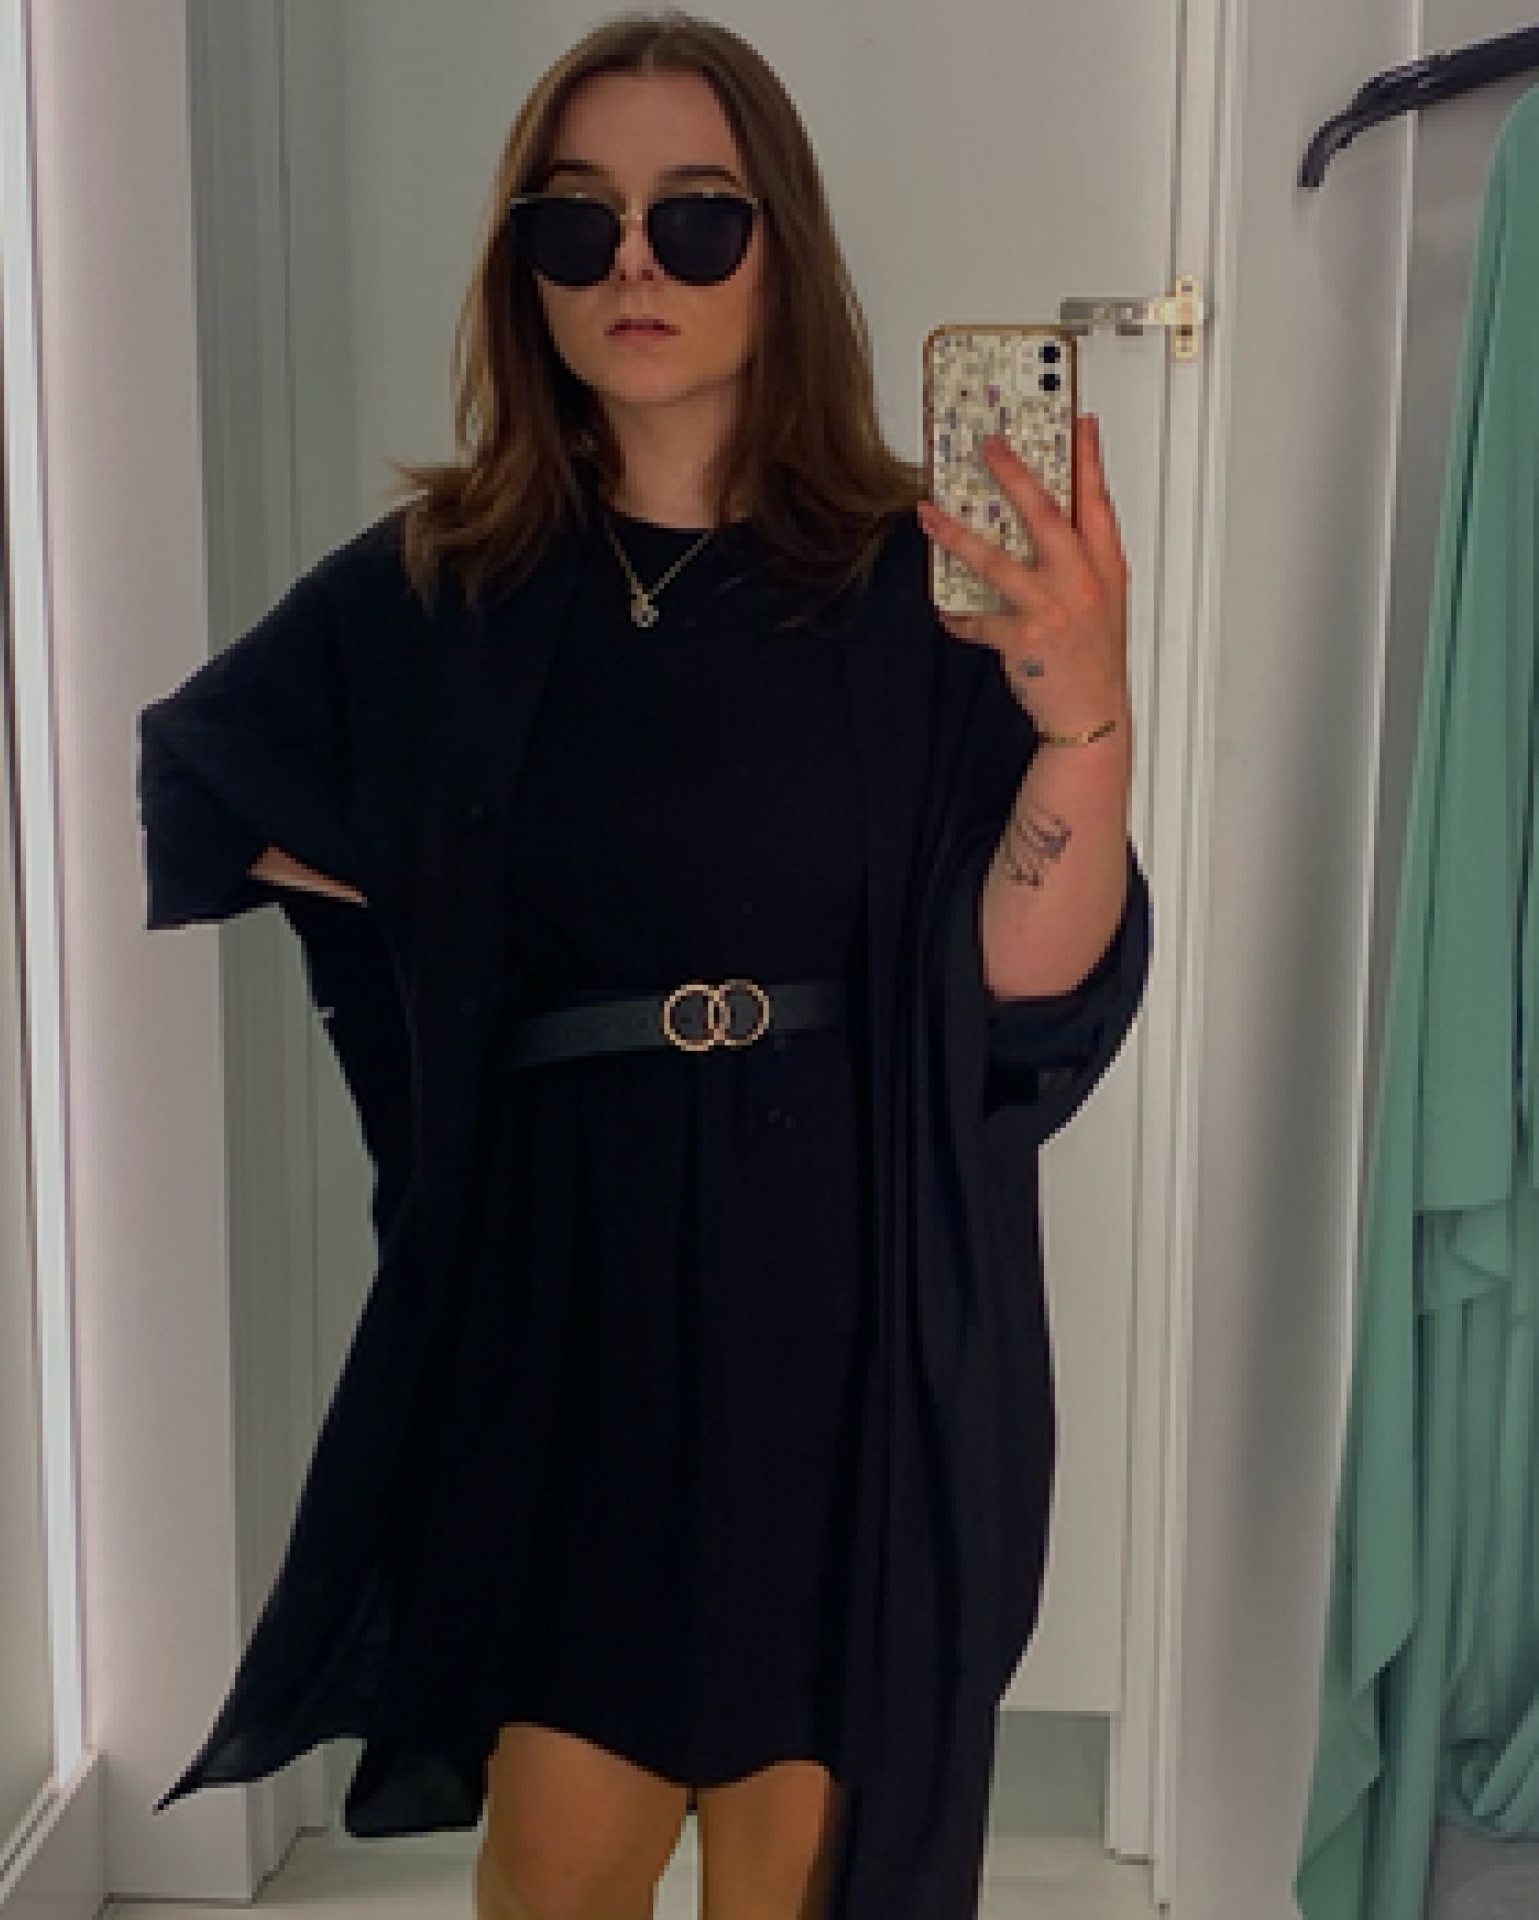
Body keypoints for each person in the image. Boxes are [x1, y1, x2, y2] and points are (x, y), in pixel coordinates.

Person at [136, 11, 1150, 1918]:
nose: (632, 264)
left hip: (847, 1296)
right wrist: (436, 898)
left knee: (805, 1871)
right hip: (568, 1301)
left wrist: (1083, 719)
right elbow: (199, 770)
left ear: (782, 250)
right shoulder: (449, 584)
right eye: (573, 221)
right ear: (521, 264)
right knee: (559, 1866)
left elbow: (1025, 988)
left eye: (695, 219)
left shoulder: (914, 583)